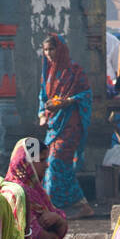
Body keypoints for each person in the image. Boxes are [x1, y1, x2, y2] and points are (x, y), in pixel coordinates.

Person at [38, 34, 94, 218]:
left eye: (52, 49)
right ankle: (80, 204)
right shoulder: (48, 71)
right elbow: (43, 96)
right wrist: (42, 113)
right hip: (53, 126)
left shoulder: (74, 71)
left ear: (60, 49)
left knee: (55, 163)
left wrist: (66, 102)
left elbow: (86, 94)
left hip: (70, 125)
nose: (49, 54)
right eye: (46, 50)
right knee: (54, 165)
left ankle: (52, 208)